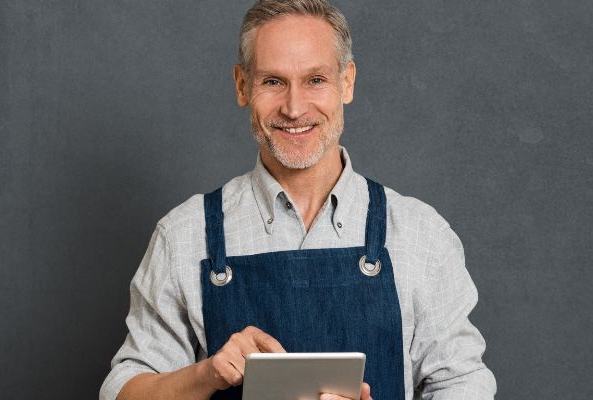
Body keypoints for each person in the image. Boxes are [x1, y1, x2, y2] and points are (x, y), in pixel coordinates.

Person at [99, 1, 497, 399]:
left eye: (315, 80)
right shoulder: (183, 236)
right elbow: (122, 390)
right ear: (242, 85)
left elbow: (462, 382)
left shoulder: (421, 235)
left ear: (347, 82)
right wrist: (207, 375)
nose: (294, 108)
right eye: (273, 81)